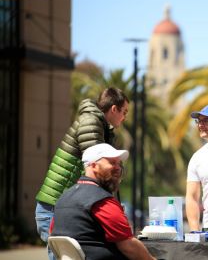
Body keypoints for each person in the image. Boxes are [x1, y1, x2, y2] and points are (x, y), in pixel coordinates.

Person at [35, 87, 129, 258]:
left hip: (60, 207)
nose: (125, 117)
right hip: (55, 209)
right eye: (124, 111)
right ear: (114, 109)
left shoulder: (101, 127)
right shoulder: (91, 122)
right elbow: (98, 170)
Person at [50, 143, 155, 260]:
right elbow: (128, 246)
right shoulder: (102, 201)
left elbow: (53, 233)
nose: (118, 168)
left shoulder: (63, 198)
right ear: (93, 166)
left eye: (119, 164)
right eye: (112, 162)